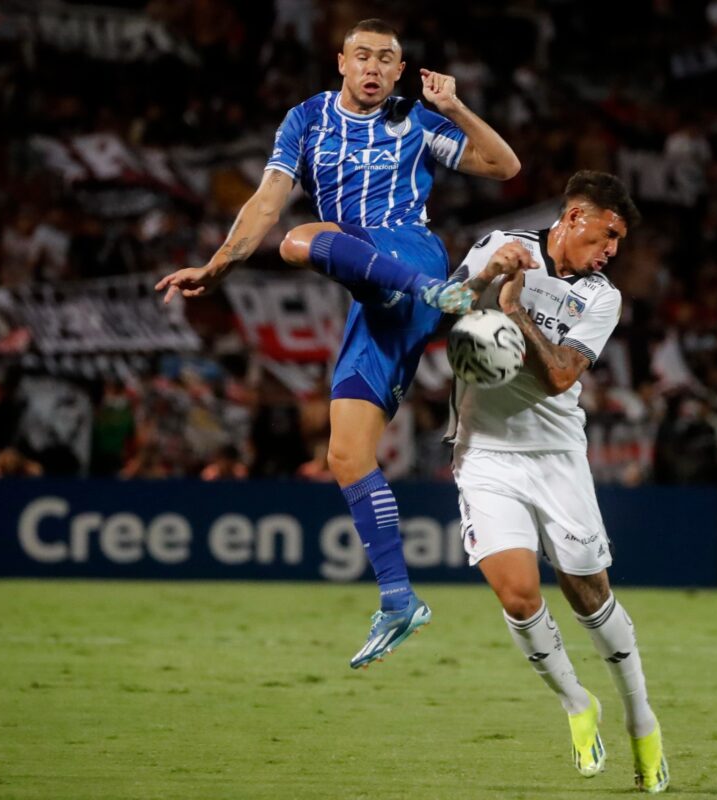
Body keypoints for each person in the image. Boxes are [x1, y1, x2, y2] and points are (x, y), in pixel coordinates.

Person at [154, 18, 520, 669]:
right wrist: (215, 266)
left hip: (414, 256)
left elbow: (505, 165)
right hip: (378, 296)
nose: (375, 67)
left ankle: (432, 292)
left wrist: (455, 106)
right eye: (363, 56)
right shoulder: (308, 120)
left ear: (401, 71)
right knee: (347, 454)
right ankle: (399, 599)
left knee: (300, 240)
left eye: (387, 58)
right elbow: (266, 201)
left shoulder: (416, 119)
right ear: (342, 62)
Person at [445, 171, 668, 792]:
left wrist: (513, 311)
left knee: (588, 595)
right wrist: (488, 278)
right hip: (483, 451)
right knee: (517, 595)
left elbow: (562, 377)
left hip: (556, 455)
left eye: (619, 240)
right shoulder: (501, 243)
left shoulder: (602, 297)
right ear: (574, 216)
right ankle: (576, 702)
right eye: (609, 233)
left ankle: (640, 717)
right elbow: (444, 305)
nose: (612, 250)